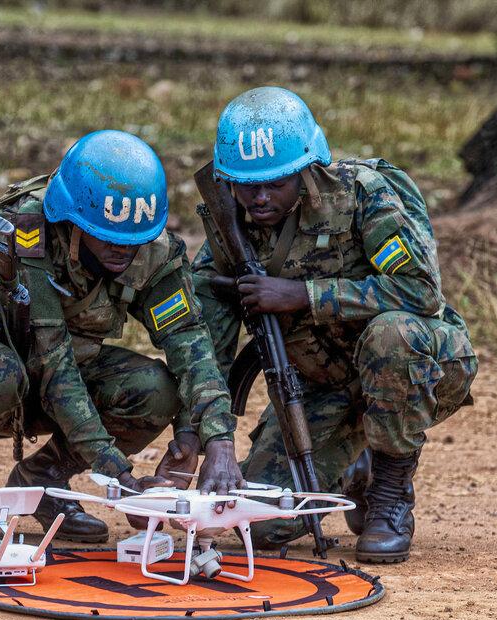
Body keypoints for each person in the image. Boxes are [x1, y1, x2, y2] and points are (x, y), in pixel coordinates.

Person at [0, 130, 244, 549]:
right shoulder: (26, 234)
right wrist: (120, 476)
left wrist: (217, 440)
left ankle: (45, 480)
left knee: (155, 390)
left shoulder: (152, 252)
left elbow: (191, 345)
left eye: (132, 241)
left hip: (55, 372)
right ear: (72, 220)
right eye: (108, 237)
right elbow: (54, 366)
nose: (123, 251)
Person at [192, 87, 478, 563]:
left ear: (306, 170)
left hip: (417, 363)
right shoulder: (229, 230)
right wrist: (204, 440)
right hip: (321, 386)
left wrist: (303, 295)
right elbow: (205, 345)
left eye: (275, 184)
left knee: (393, 334)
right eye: (246, 185)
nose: (260, 197)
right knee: (265, 524)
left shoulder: (362, 194)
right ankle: (352, 464)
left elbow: (421, 292)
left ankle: (389, 496)